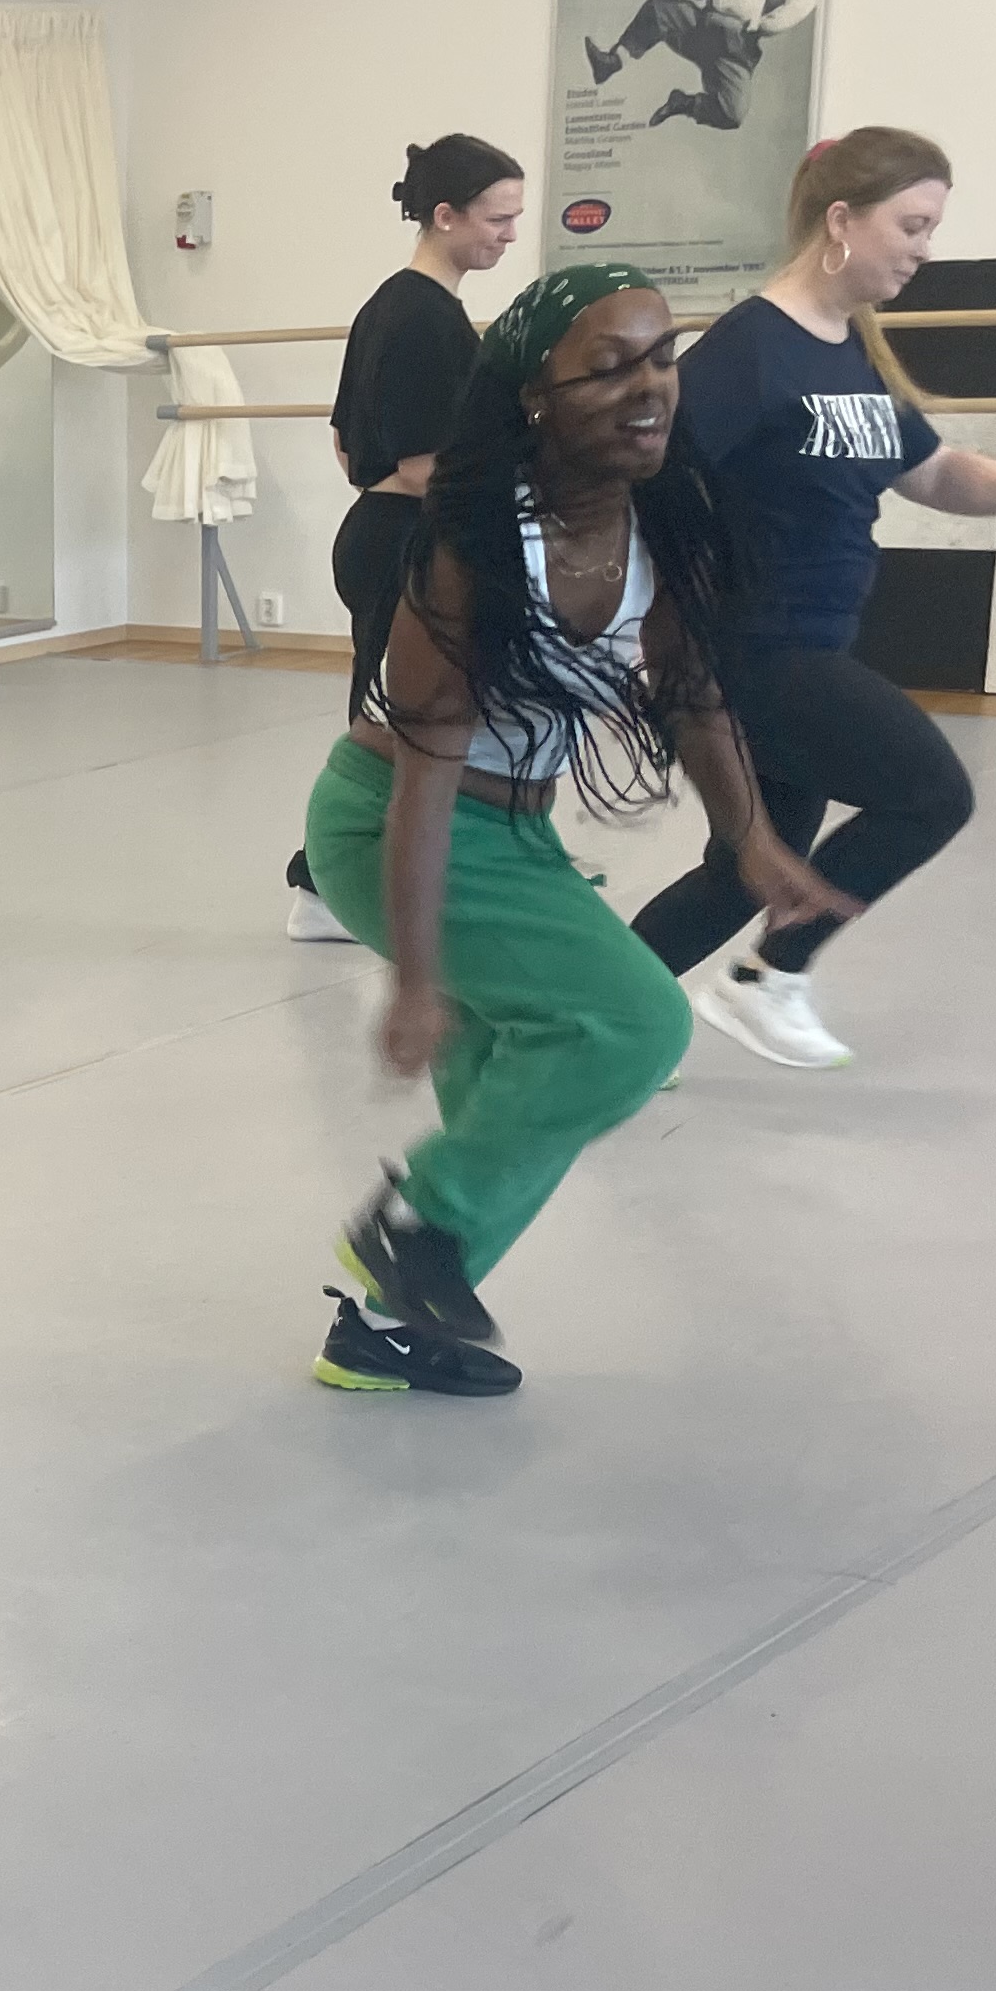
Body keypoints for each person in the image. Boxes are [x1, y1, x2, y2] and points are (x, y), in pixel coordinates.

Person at [304, 266, 846, 1395]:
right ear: (535, 400)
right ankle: (413, 1230)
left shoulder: (657, 521)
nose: (650, 388)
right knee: (637, 1024)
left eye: (663, 358)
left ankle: (384, 1328)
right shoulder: (478, 548)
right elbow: (423, 780)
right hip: (393, 822)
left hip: (515, 833)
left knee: (507, 1086)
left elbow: (691, 693)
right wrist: (414, 978)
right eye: (608, 368)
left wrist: (750, 841)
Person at [626, 129, 996, 1068]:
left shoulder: (848, 351)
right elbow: (649, 489)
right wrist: (653, 644)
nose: (924, 249)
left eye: (931, 228)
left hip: (809, 643)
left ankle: (590, 1023)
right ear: (842, 220)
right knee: (930, 795)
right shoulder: (748, 352)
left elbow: (935, 472)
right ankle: (768, 977)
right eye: (912, 226)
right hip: (754, 651)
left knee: (745, 870)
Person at [287, 133, 523, 943]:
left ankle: (340, 881)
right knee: (398, 726)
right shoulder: (423, 318)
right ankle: (326, 883)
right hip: (405, 538)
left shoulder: (396, 306)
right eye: (497, 219)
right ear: (446, 215)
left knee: (395, 718)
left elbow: (345, 443)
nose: (509, 235)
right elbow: (425, 467)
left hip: (384, 531)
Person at [583, 0, 818, 133]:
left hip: (733, 55)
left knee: (733, 114)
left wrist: (765, 24)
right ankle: (613, 62)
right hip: (702, 36)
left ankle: (683, 103)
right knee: (661, 5)